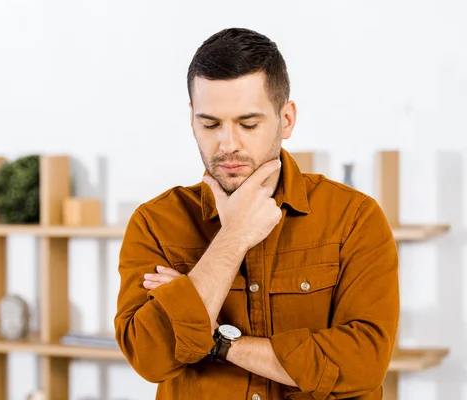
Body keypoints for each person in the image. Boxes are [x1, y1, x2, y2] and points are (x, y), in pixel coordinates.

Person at [114, 27, 399, 400]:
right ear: (191, 120)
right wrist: (232, 239)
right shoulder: (155, 224)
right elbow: (150, 358)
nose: (228, 144)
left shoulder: (354, 218)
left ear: (286, 120)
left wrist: (220, 341)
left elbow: (363, 363)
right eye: (210, 124)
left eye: (248, 124)